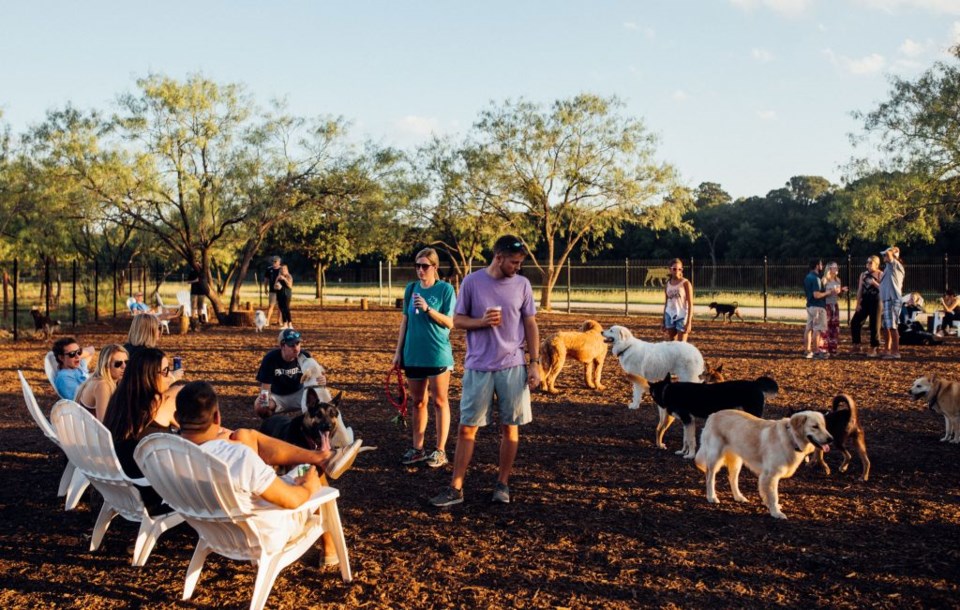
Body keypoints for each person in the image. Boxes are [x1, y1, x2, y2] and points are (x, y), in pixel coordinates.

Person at [175, 381, 363, 564]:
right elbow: (291, 500)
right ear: (217, 417)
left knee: (246, 435)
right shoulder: (239, 457)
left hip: (211, 530)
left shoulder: (166, 453)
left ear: (176, 417)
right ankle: (329, 550)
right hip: (261, 533)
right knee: (316, 478)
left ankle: (320, 457)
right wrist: (309, 485)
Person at [429, 235, 541, 507]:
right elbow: (457, 320)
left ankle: (502, 484)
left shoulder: (522, 285)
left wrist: (534, 363)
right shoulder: (472, 282)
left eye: (519, 262)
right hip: (478, 366)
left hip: (513, 365)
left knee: (510, 428)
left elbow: (531, 324)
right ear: (498, 257)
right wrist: (481, 322)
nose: (517, 267)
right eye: (513, 262)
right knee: (467, 428)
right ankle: (456, 488)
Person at [392, 247, 456, 469]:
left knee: (440, 401)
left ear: (435, 267)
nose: (420, 270)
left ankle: (440, 450)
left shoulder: (445, 290)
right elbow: (405, 322)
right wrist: (398, 352)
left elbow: (450, 322)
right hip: (413, 354)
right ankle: (418, 449)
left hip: (437, 354)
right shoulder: (410, 289)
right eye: (417, 266)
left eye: (425, 266)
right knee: (418, 402)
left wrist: (428, 309)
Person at [102, 347, 182, 514]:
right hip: (153, 494)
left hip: (126, 487)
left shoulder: (121, 398)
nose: (169, 376)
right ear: (149, 375)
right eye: (165, 371)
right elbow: (193, 428)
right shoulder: (158, 403)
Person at [254, 328, 321, 418]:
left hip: (299, 394)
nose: (296, 348)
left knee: (320, 401)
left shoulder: (305, 356)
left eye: (298, 343)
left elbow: (316, 376)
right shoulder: (270, 359)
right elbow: (265, 388)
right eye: (291, 345)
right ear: (282, 346)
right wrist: (264, 404)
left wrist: (322, 379)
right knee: (260, 406)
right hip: (278, 396)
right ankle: (271, 425)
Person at [75, 344, 128, 420]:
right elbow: (104, 423)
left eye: (126, 362)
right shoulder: (102, 385)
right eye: (118, 364)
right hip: (93, 431)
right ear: (106, 366)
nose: (124, 366)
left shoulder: (108, 381)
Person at [850, 255, 883, 357]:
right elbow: (860, 289)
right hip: (865, 300)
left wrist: (874, 283)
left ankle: (874, 347)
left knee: (875, 324)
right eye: (867, 262)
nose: (868, 265)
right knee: (855, 322)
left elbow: (884, 288)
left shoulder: (880, 274)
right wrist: (858, 303)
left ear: (876, 264)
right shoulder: (863, 275)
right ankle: (857, 345)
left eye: (870, 263)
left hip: (876, 300)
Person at [803, 260, 835, 359]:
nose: (822, 266)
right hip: (818, 307)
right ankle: (817, 352)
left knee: (809, 328)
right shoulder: (816, 278)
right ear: (817, 266)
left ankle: (807, 350)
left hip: (810, 306)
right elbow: (816, 295)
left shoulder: (808, 277)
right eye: (821, 264)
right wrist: (828, 292)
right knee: (817, 329)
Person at [879, 246, 905, 359]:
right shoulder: (888, 268)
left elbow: (890, 256)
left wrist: (894, 250)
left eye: (885, 255)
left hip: (893, 299)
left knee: (893, 325)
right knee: (886, 325)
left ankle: (895, 352)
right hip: (887, 299)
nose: (884, 256)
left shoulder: (896, 265)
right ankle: (887, 349)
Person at [661, 258, 693, 342]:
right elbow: (666, 302)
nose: (677, 271)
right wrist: (663, 320)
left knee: (681, 346)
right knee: (672, 343)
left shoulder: (686, 283)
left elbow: (690, 304)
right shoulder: (667, 284)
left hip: (682, 315)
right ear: (670, 269)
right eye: (674, 269)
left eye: (679, 269)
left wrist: (689, 322)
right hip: (669, 314)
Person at [821, 262, 847, 356]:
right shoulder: (824, 280)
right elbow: (821, 294)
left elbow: (838, 294)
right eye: (834, 267)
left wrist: (842, 291)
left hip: (834, 305)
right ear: (829, 269)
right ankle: (824, 348)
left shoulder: (838, 280)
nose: (836, 269)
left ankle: (833, 348)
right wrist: (830, 291)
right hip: (826, 305)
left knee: (834, 327)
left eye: (837, 267)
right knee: (826, 327)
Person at [264, 256, 283, 327]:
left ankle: (279, 321)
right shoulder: (269, 269)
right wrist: (265, 288)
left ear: (279, 262)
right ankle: (267, 321)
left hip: (281, 290)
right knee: (271, 306)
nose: (274, 263)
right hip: (272, 290)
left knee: (280, 306)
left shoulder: (282, 269)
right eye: (273, 261)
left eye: (275, 261)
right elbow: (266, 280)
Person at [276, 264, 294, 330]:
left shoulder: (289, 276)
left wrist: (284, 279)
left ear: (287, 270)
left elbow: (290, 286)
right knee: (282, 309)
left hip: (286, 295)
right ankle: (285, 324)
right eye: (282, 269)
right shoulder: (279, 277)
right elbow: (274, 286)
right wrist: (276, 285)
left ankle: (290, 324)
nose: (283, 270)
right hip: (280, 294)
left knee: (286, 309)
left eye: (284, 269)